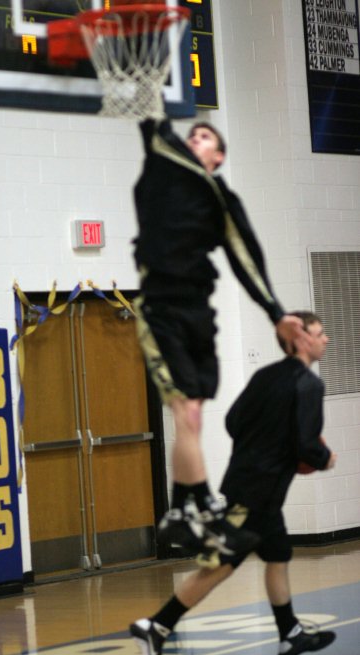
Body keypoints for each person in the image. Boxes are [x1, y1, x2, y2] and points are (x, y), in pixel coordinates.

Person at [132, 117, 310, 556]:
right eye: (191, 134)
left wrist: (275, 312)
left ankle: (180, 512)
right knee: (184, 413)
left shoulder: (220, 197)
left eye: (206, 136)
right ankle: (202, 508)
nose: (195, 138)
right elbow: (150, 117)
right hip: (161, 308)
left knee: (193, 413)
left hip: (199, 310)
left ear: (219, 157)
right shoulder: (163, 160)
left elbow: (244, 255)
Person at [130, 311, 337, 655]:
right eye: (320, 333)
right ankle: (156, 626)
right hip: (257, 491)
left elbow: (232, 421)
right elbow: (306, 445)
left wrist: (260, 447)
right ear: (300, 340)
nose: (326, 339)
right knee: (221, 564)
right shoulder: (308, 385)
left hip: (255, 485)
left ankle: (289, 632)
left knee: (278, 554)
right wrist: (325, 458)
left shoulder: (264, 375)